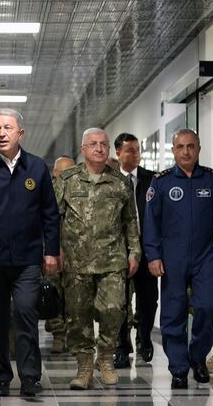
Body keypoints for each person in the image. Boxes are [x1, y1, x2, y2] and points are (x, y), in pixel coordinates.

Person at [0, 108, 60, 397]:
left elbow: (50, 214)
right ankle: (1, 376)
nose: (1, 133)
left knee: (27, 313)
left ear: (20, 133)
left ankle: (30, 377)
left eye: (7, 128)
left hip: (28, 259)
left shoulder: (37, 168)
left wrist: (51, 251)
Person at [143, 128, 213, 389]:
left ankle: (197, 357)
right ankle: (179, 368)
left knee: (209, 307)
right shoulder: (161, 183)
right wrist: (153, 255)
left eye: (191, 146)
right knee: (174, 313)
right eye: (180, 147)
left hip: (204, 255)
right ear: (173, 151)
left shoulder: (211, 181)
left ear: (199, 149)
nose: (186, 151)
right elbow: (151, 224)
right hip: (172, 256)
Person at [53, 128, 140, 388]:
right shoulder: (67, 180)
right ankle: (84, 366)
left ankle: (106, 357)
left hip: (112, 260)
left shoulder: (120, 182)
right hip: (76, 262)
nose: (99, 148)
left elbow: (131, 221)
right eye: (93, 144)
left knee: (114, 310)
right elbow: (52, 218)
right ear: (83, 149)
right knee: (78, 316)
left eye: (103, 144)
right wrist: (53, 249)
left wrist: (134, 252)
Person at [113, 132, 159, 367]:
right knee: (119, 301)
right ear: (118, 153)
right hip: (118, 250)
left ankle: (144, 337)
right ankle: (121, 345)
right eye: (129, 150)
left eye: (137, 149)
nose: (135, 154)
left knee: (149, 298)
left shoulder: (153, 180)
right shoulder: (110, 181)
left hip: (147, 247)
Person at [44, 156, 75, 354]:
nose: (66, 176)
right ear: (54, 173)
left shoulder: (81, 192)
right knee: (53, 293)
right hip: (52, 251)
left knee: (74, 297)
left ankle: (72, 335)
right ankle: (58, 334)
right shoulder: (46, 194)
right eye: (61, 172)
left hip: (77, 254)